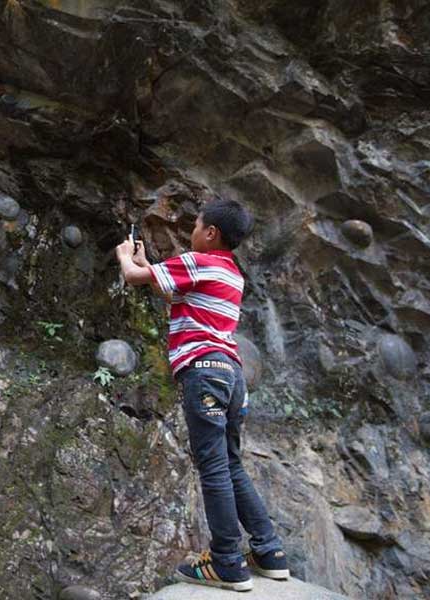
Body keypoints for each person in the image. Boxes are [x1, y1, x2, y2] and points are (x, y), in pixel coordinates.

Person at [115, 198, 289, 592]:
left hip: (204, 372)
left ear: (211, 233)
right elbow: (172, 291)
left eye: (195, 226)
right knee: (230, 463)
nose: (191, 232)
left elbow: (133, 277)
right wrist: (147, 263)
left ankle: (227, 561)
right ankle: (269, 551)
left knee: (212, 467)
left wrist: (126, 257)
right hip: (232, 375)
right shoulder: (231, 275)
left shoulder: (198, 262)